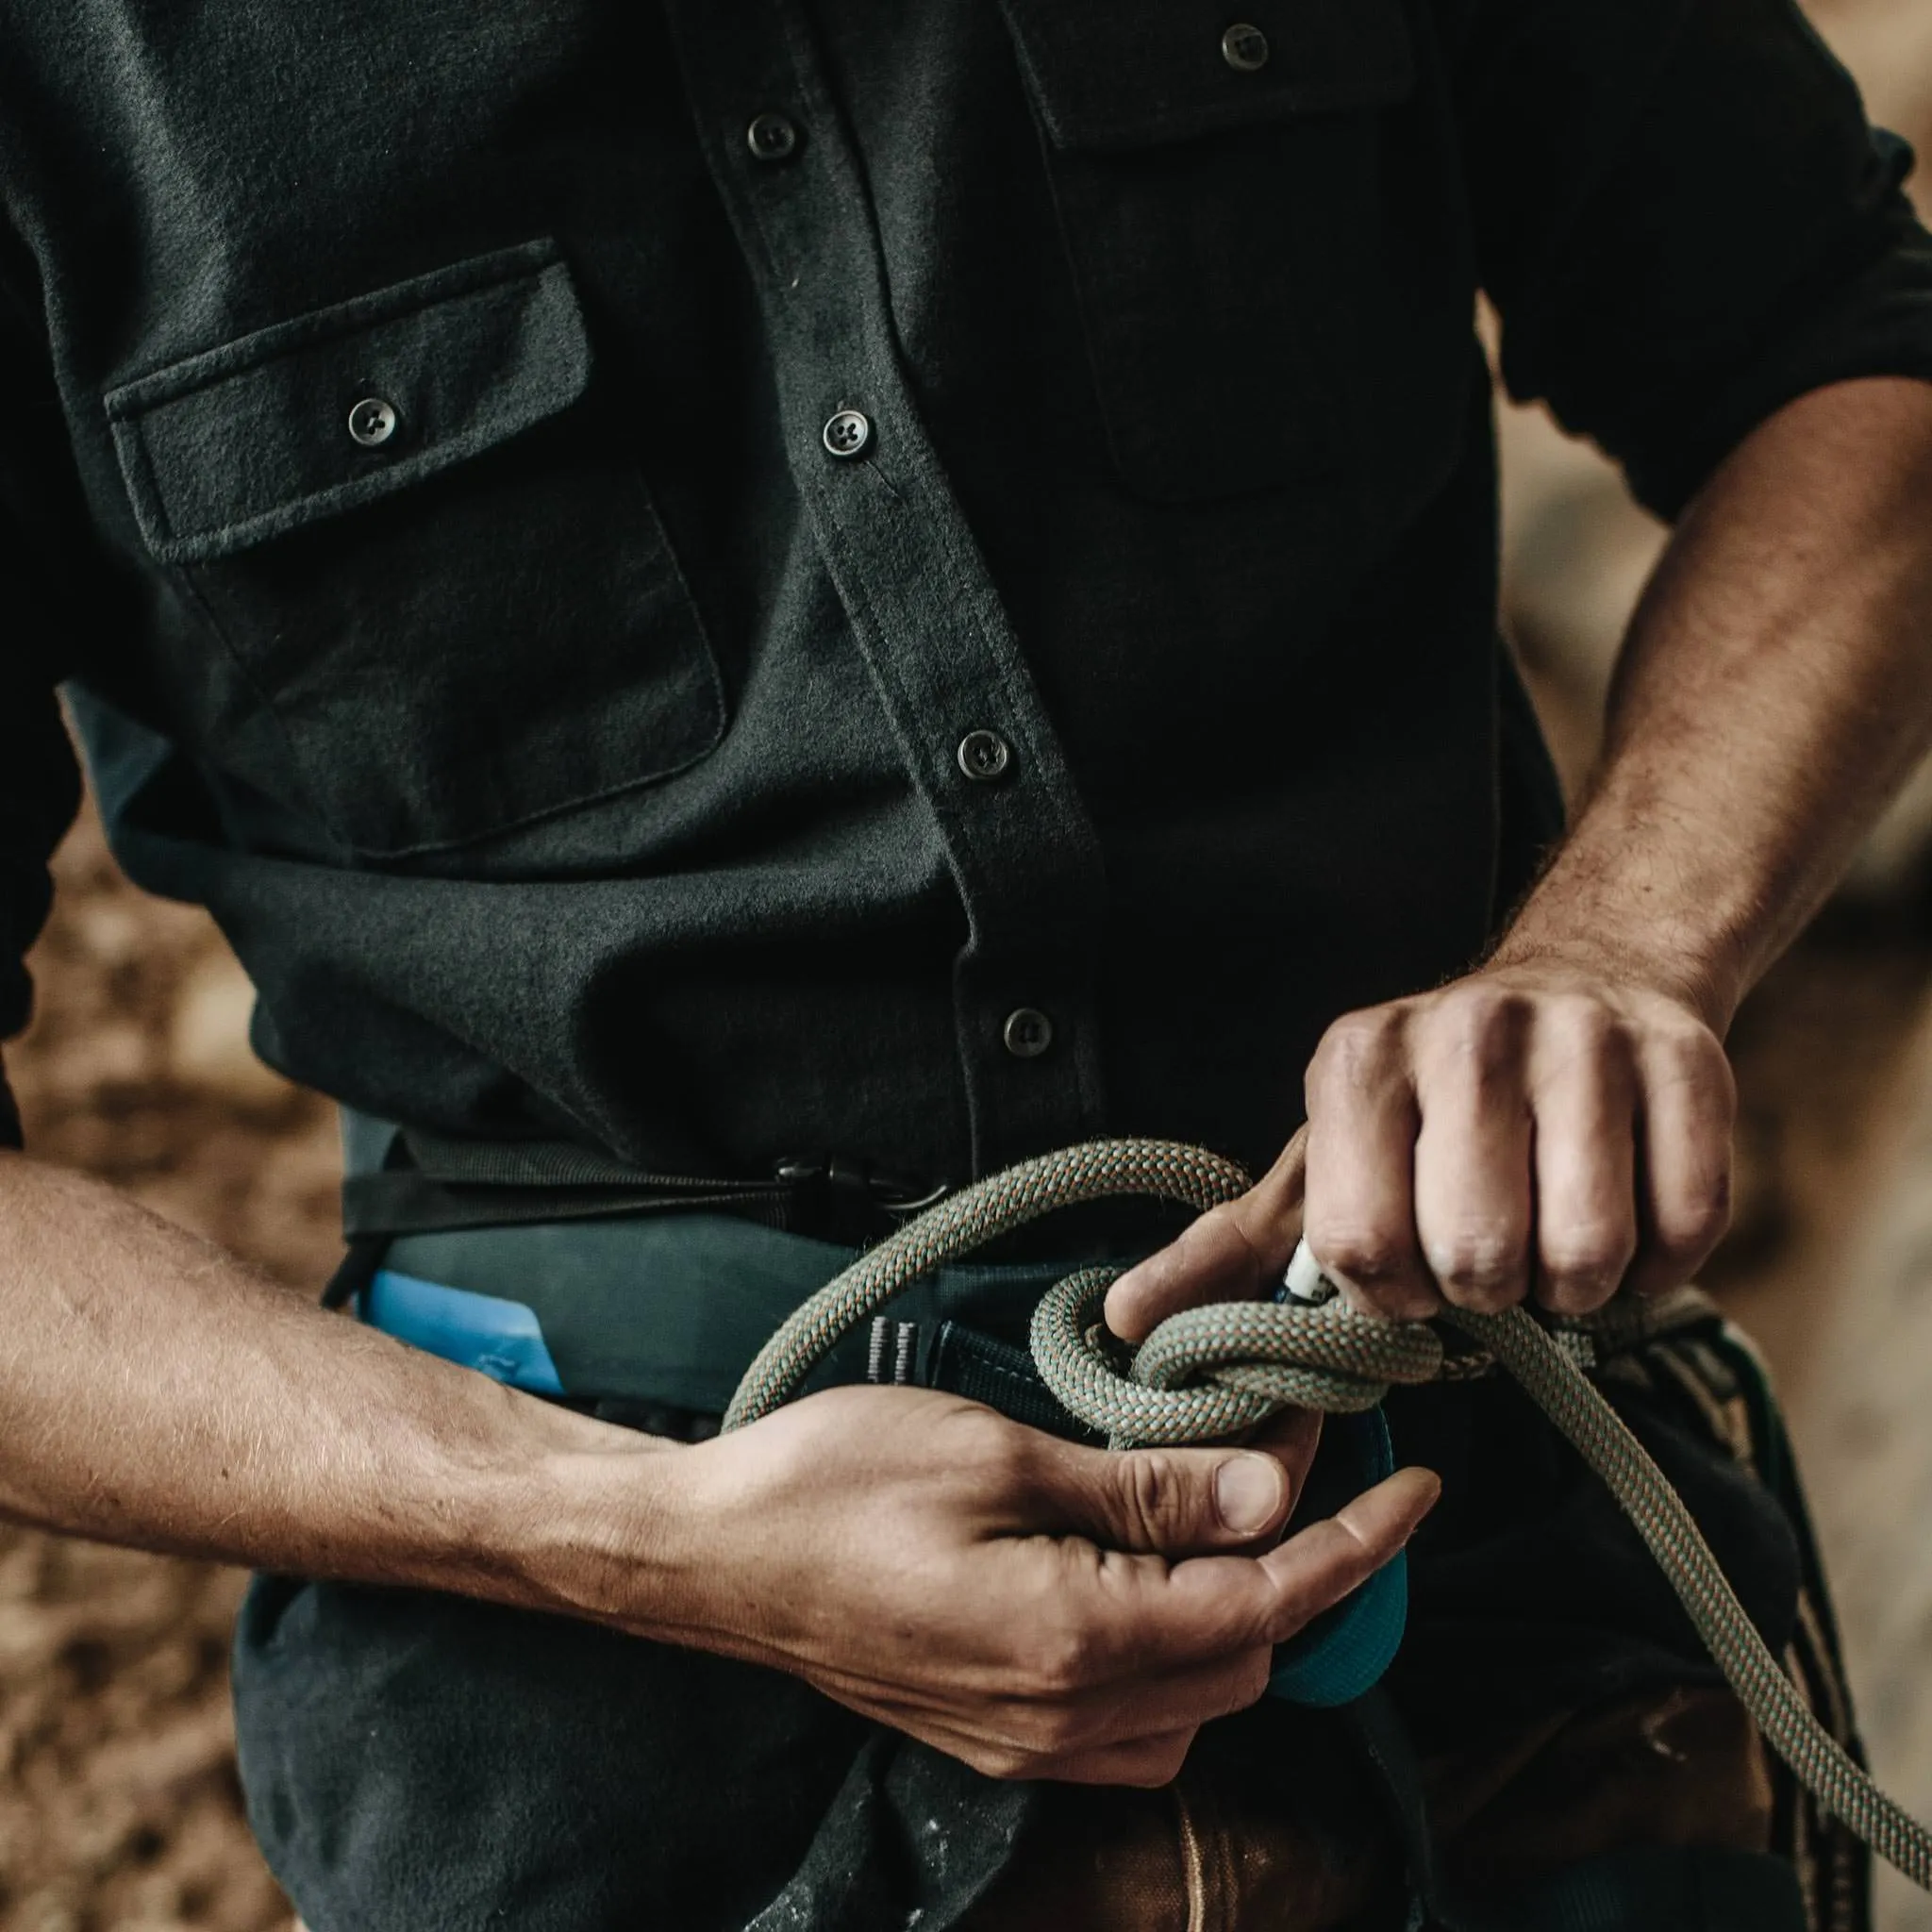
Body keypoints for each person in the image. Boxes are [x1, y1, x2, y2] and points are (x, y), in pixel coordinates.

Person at [3, 0, 1932, 1925]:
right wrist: (624, 1536)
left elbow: (1852, 358)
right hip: (605, 1730)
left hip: (1493, 1552)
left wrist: (1621, 945)